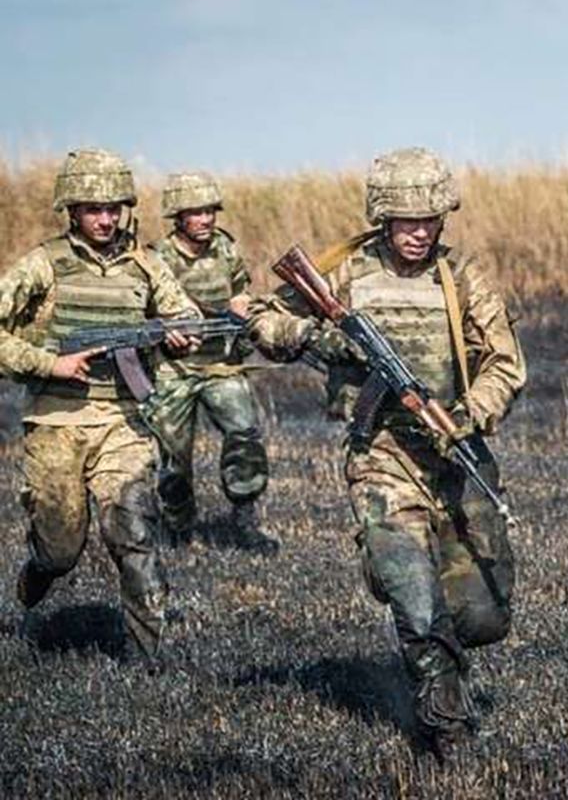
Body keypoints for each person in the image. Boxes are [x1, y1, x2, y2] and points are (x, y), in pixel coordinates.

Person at [248, 147, 525, 750]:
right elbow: (263, 320)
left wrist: (467, 413)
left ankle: (446, 657)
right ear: (383, 218)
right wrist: (314, 336)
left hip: (456, 454)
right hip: (380, 456)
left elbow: (505, 364)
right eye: (406, 221)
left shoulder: (461, 277)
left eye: (429, 220)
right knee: (414, 596)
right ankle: (446, 727)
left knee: (484, 615)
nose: (419, 232)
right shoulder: (344, 271)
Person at [0, 148, 200, 664]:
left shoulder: (145, 265)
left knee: (135, 532)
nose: (106, 219)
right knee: (62, 548)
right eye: (93, 209)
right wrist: (49, 364)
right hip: (56, 423)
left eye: (114, 208)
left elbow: (184, 314)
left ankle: (147, 661)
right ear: (71, 210)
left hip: (123, 422)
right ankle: (40, 568)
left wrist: (181, 336)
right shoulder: (44, 263)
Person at [149, 172, 271, 547]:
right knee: (172, 457)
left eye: (210, 211)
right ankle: (178, 526)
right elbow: (142, 310)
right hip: (174, 369)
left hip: (221, 364)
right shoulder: (157, 257)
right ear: (178, 216)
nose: (205, 219)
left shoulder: (225, 249)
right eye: (196, 212)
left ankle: (244, 510)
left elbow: (241, 290)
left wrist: (242, 303)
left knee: (245, 432)